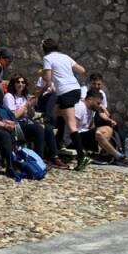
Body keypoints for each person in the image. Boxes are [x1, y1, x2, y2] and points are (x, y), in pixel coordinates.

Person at [41, 37, 89, 171]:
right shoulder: (65, 57)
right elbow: (82, 70)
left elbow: (48, 78)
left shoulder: (47, 59)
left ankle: (81, 156)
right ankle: (58, 141)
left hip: (65, 91)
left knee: (72, 125)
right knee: (58, 113)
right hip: (75, 88)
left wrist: (45, 76)